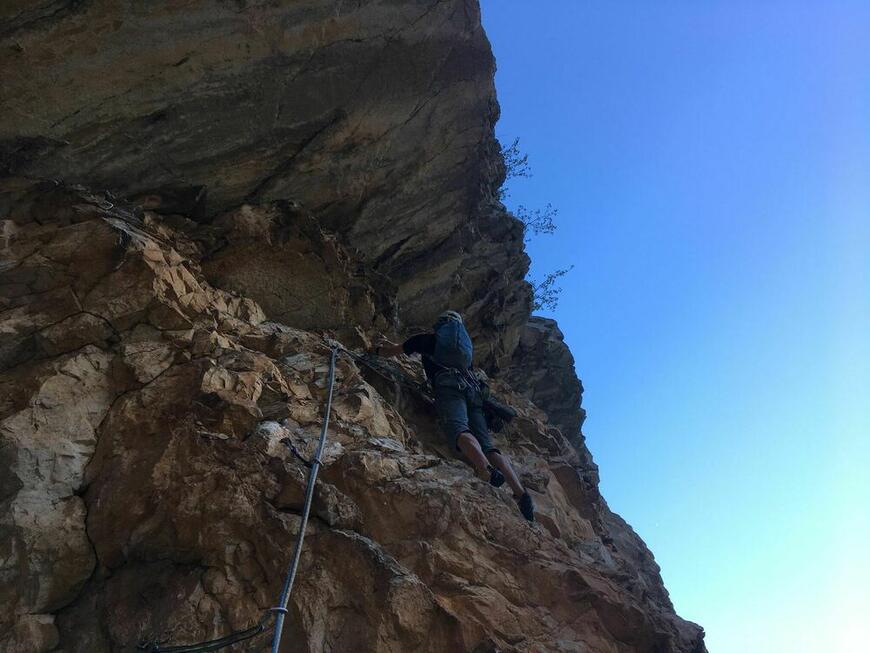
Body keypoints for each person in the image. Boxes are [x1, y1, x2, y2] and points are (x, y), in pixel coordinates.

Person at [376, 310, 535, 522]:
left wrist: (375, 349)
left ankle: (485, 470)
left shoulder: (428, 340)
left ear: (440, 326)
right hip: (474, 395)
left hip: (449, 388)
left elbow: (391, 352)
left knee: (459, 428)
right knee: (488, 446)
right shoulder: (466, 354)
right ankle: (521, 494)